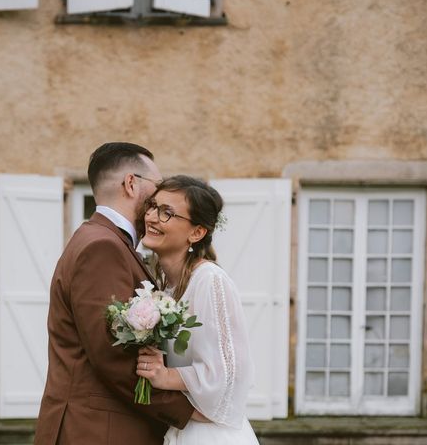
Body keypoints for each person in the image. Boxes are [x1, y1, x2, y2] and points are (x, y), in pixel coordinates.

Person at [34, 143, 200, 445]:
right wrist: (189, 412)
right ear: (131, 183)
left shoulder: (105, 241)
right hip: (98, 431)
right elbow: (112, 357)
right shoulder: (103, 246)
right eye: (157, 186)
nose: (160, 197)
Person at [136, 175, 259, 445]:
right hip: (180, 428)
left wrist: (166, 376)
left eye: (167, 213)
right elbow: (187, 356)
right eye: (153, 206)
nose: (152, 217)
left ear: (197, 232)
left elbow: (229, 376)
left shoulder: (209, 280)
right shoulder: (167, 285)